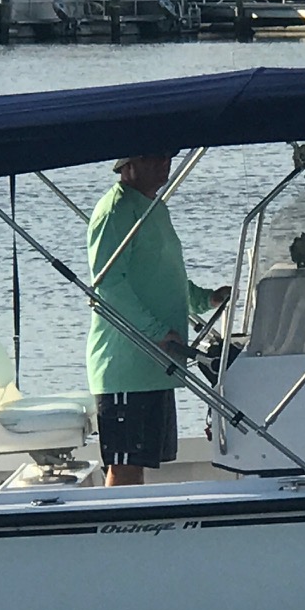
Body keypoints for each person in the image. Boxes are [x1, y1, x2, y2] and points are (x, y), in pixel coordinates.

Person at [86, 152, 230, 487]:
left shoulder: (154, 207)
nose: (163, 163)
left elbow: (165, 276)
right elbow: (108, 285)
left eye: (166, 156)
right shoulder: (116, 210)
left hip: (157, 365)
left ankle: (137, 530)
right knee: (125, 465)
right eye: (152, 158)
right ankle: (119, 534)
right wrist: (156, 333)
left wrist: (206, 298)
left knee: (142, 461)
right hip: (127, 367)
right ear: (128, 165)